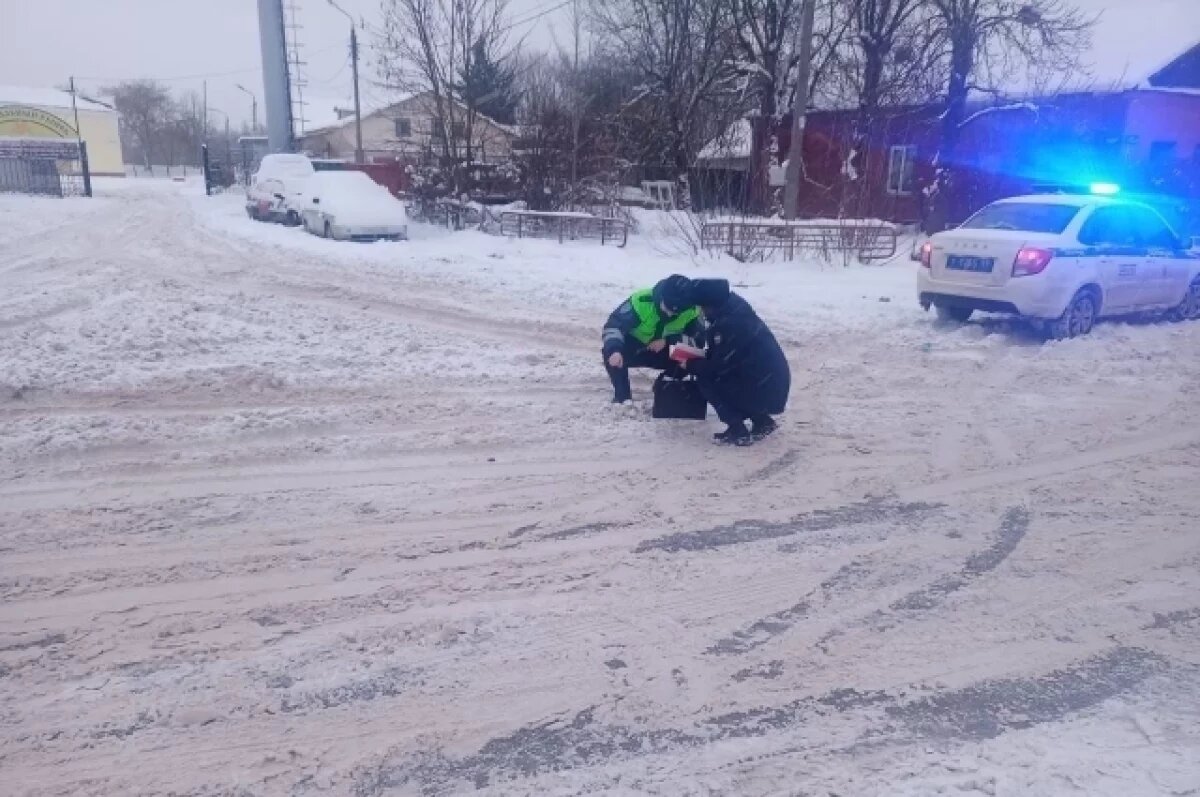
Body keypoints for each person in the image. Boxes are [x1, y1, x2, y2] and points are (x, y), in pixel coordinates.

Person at [680, 278, 790, 445]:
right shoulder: (734, 311)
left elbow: (719, 366)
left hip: (764, 387)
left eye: (701, 306)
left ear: (710, 305)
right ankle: (762, 421)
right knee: (727, 375)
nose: (700, 311)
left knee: (707, 379)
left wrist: (690, 364)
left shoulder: (730, 323)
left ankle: (737, 430)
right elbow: (727, 355)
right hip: (770, 383)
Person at [601, 275, 705, 404]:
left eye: (675, 312)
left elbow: (699, 343)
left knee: (693, 358)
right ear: (661, 297)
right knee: (610, 352)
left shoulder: (692, 310)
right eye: (667, 308)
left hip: (666, 351)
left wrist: (669, 340)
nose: (670, 314)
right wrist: (614, 350)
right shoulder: (641, 300)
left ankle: (665, 386)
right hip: (637, 348)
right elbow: (613, 327)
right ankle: (623, 398)